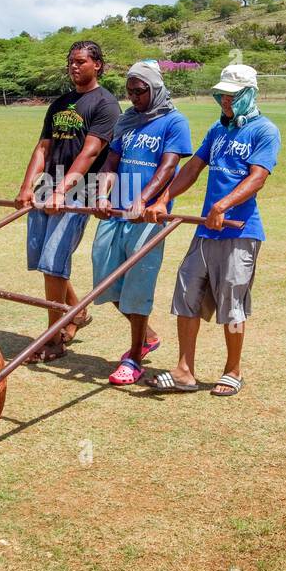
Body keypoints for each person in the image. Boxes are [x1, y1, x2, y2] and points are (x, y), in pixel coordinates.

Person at [141, 64, 280, 396]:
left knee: (232, 300)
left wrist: (222, 205)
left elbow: (257, 177)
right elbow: (192, 168)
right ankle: (184, 371)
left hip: (240, 231)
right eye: (221, 96)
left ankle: (233, 370)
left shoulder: (265, 131)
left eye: (232, 96)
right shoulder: (217, 131)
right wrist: (164, 198)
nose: (226, 103)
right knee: (186, 292)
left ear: (250, 94)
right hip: (206, 231)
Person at [15, 39, 121, 361]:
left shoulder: (106, 104)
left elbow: (91, 152)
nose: (74, 67)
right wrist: (27, 187)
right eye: (71, 62)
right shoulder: (59, 103)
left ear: (97, 65)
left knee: (53, 260)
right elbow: (43, 147)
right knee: (45, 260)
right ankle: (77, 312)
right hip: (49, 185)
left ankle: (54, 337)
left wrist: (64, 190)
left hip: (80, 189)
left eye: (80, 62)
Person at [90, 61, 192, 385]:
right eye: (130, 91)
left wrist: (144, 200)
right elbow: (110, 162)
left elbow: (168, 167)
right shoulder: (126, 121)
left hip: (147, 218)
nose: (134, 97)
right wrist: (102, 195)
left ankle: (134, 357)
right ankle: (146, 335)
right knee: (106, 284)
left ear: (155, 88)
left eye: (140, 91)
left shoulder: (174, 121)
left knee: (138, 286)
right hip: (115, 213)